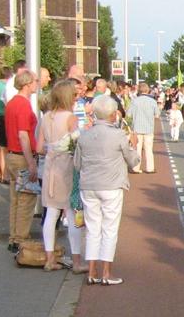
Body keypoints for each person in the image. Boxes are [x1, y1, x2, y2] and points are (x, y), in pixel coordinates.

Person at [74, 95, 141, 285]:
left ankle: (91, 271)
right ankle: (106, 273)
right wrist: (134, 145)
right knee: (109, 228)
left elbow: (77, 164)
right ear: (112, 115)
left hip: (88, 186)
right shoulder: (118, 135)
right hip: (111, 186)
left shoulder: (84, 135)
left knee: (92, 229)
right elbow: (133, 161)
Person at [38, 80, 86, 273]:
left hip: (50, 167)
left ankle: (49, 259)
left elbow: (38, 147)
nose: (76, 98)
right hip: (66, 168)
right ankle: (76, 262)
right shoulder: (70, 118)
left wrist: (52, 148)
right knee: (72, 212)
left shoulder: (47, 116)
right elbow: (78, 144)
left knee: (51, 213)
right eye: (74, 95)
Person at [4, 70, 40, 253]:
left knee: (15, 199)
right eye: (35, 80)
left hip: (11, 155)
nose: (38, 83)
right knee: (26, 199)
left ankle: (13, 237)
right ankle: (21, 239)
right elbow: (24, 135)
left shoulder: (11, 104)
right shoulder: (24, 105)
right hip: (21, 156)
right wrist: (31, 162)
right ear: (28, 84)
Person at [129, 82, 161, 173]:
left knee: (137, 149)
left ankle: (136, 167)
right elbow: (157, 114)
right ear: (148, 90)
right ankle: (150, 168)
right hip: (149, 128)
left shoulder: (135, 101)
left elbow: (129, 114)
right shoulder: (152, 101)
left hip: (137, 128)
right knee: (149, 149)